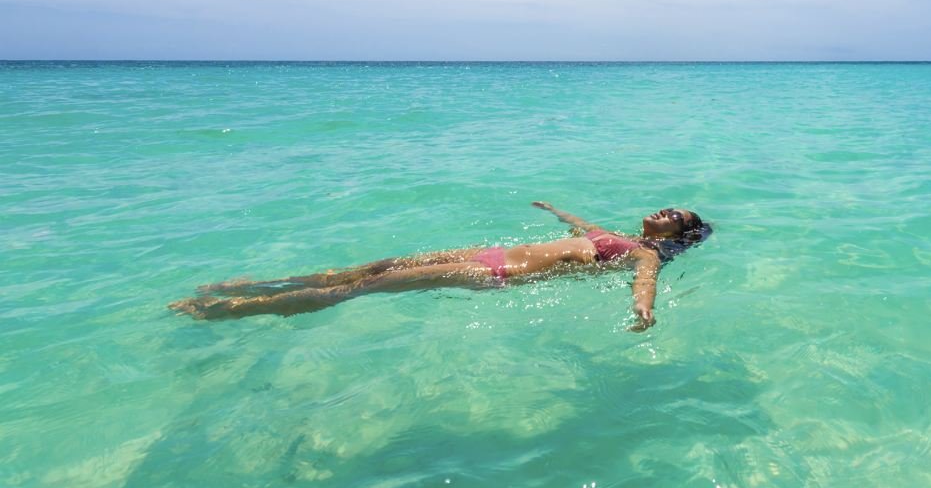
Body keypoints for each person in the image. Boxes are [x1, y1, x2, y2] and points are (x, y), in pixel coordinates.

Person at [169, 202, 710, 330]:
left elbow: (645, 282)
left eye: (674, 216)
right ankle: (269, 284)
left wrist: (643, 312)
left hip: (495, 273)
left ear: (677, 234)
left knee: (368, 287)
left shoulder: (643, 253)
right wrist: (555, 209)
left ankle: (231, 310)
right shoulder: (613, 235)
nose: (664, 211)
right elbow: (580, 227)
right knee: (370, 265)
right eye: (666, 206)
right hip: (484, 251)